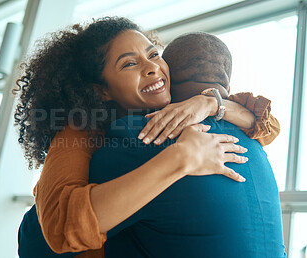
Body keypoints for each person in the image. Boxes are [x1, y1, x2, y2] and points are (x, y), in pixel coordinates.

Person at [15, 17, 280, 257]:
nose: (152, 67)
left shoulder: (176, 112)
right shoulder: (80, 131)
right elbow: (51, 233)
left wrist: (212, 104)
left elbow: (269, 125)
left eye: (153, 54)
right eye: (129, 63)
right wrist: (182, 157)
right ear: (102, 91)